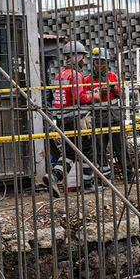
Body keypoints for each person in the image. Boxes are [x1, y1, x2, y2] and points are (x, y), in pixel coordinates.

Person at [48, 41, 93, 188]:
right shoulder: (75, 75)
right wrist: (95, 95)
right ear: (78, 57)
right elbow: (79, 98)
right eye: (83, 58)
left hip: (62, 119)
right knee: (86, 150)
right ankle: (87, 183)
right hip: (74, 119)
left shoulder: (59, 75)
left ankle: (55, 176)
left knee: (70, 152)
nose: (84, 61)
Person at [88, 47, 124, 172]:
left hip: (115, 116)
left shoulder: (112, 76)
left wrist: (115, 90)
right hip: (99, 118)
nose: (100, 65)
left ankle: (129, 173)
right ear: (93, 63)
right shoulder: (88, 80)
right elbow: (85, 100)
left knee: (120, 147)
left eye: (103, 62)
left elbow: (122, 95)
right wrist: (97, 94)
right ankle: (105, 174)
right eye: (98, 62)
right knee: (100, 148)